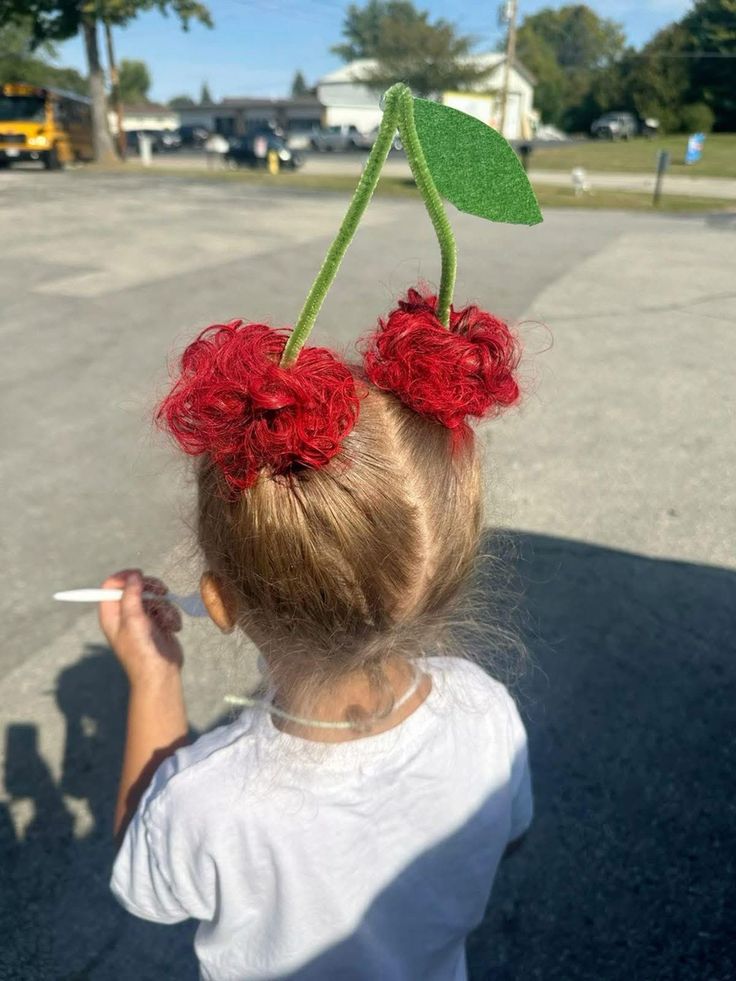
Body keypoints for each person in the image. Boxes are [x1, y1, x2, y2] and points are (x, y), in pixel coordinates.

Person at [101, 287, 533, 980]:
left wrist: (154, 680)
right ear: (440, 572)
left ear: (219, 602)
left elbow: (144, 878)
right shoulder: (487, 711)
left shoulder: (205, 800)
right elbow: (507, 833)